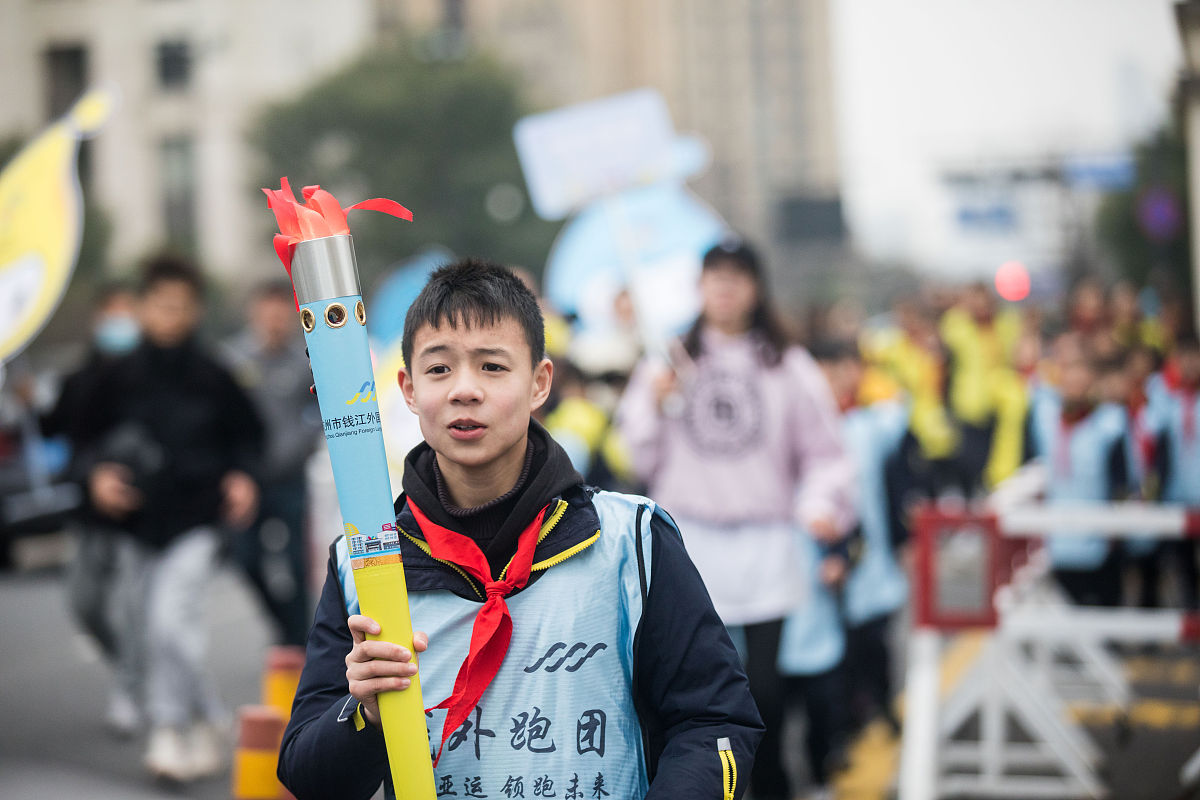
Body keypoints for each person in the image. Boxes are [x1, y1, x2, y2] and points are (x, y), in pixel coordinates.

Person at [279, 260, 762, 799]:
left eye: (492, 367)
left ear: (540, 383)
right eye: (439, 370)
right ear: (408, 390)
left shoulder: (633, 541)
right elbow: (307, 776)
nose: (465, 390)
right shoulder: (365, 563)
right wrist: (364, 714)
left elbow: (714, 723)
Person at [617, 240, 854, 800]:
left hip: (767, 544)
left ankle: (771, 785)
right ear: (699, 286)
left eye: (737, 276)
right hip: (689, 545)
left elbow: (827, 453)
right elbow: (636, 457)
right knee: (690, 692)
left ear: (756, 287)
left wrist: (820, 506)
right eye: (714, 276)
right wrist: (654, 402)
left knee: (764, 692)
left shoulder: (787, 365)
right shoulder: (667, 361)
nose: (725, 287)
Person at [79, 255, 265, 781]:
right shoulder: (115, 377)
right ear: (141, 309)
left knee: (166, 622)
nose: (171, 316)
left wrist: (243, 476)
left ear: (195, 311)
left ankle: (166, 730)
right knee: (158, 629)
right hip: (135, 525)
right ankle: (207, 716)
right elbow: (82, 440)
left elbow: (250, 438)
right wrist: (96, 476)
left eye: (181, 307)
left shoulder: (216, 374)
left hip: (197, 523)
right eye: (161, 305)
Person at [37, 284, 143, 734]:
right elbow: (59, 431)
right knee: (84, 604)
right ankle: (129, 667)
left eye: (127, 312)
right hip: (89, 515)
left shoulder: (148, 378)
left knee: (131, 607)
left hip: (138, 515)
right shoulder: (79, 379)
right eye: (112, 313)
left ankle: (130, 690)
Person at [222, 281, 323, 645]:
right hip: (247, 480)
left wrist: (301, 444)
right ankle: (285, 626)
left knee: (297, 564)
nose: (275, 320)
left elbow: (321, 411)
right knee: (245, 558)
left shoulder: (303, 361)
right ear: (255, 313)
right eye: (269, 311)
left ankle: (301, 639)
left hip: (291, 478)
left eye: (283, 313)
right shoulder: (233, 360)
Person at [1026, 350, 1129, 606]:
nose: (1075, 388)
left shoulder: (1110, 423)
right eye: (1070, 381)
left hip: (1099, 537)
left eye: (1082, 382)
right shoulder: (1046, 419)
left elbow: (1121, 482)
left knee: (1103, 607)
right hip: (1058, 537)